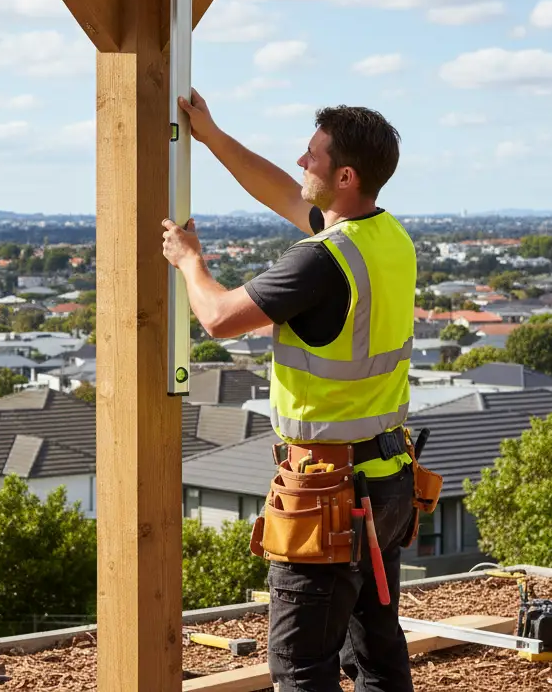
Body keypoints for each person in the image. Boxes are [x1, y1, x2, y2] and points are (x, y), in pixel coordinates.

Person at [161, 90, 416, 692]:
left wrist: (191, 262)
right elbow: (280, 191)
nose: (301, 161)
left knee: (301, 665)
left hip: (328, 493)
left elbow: (219, 318)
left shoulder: (322, 261)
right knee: (377, 653)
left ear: (345, 177)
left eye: (313, 156)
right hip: (387, 478)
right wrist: (212, 136)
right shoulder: (387, 238)